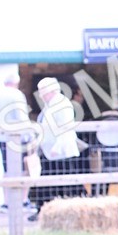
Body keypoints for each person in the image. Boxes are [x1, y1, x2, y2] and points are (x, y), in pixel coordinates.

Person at [29, 76, 84, 218]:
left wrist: (57, 148)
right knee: (47, 182)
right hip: (49, 152)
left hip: (61, 152)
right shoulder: (50, 105)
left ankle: (75, 208)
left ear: (50, 92)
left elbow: (65, 128)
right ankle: (42, 210)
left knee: (68, 183)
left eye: (43, 92)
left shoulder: (61, 104)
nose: (41, 95)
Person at [0, 69, 34, 207]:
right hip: (17, 138)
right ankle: (23, 200)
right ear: (17, 83)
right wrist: (30, 136)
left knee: (7, 170)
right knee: (24, 168)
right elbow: (21, 117)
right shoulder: (17, 95)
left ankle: (6, 202)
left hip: (1, 138)